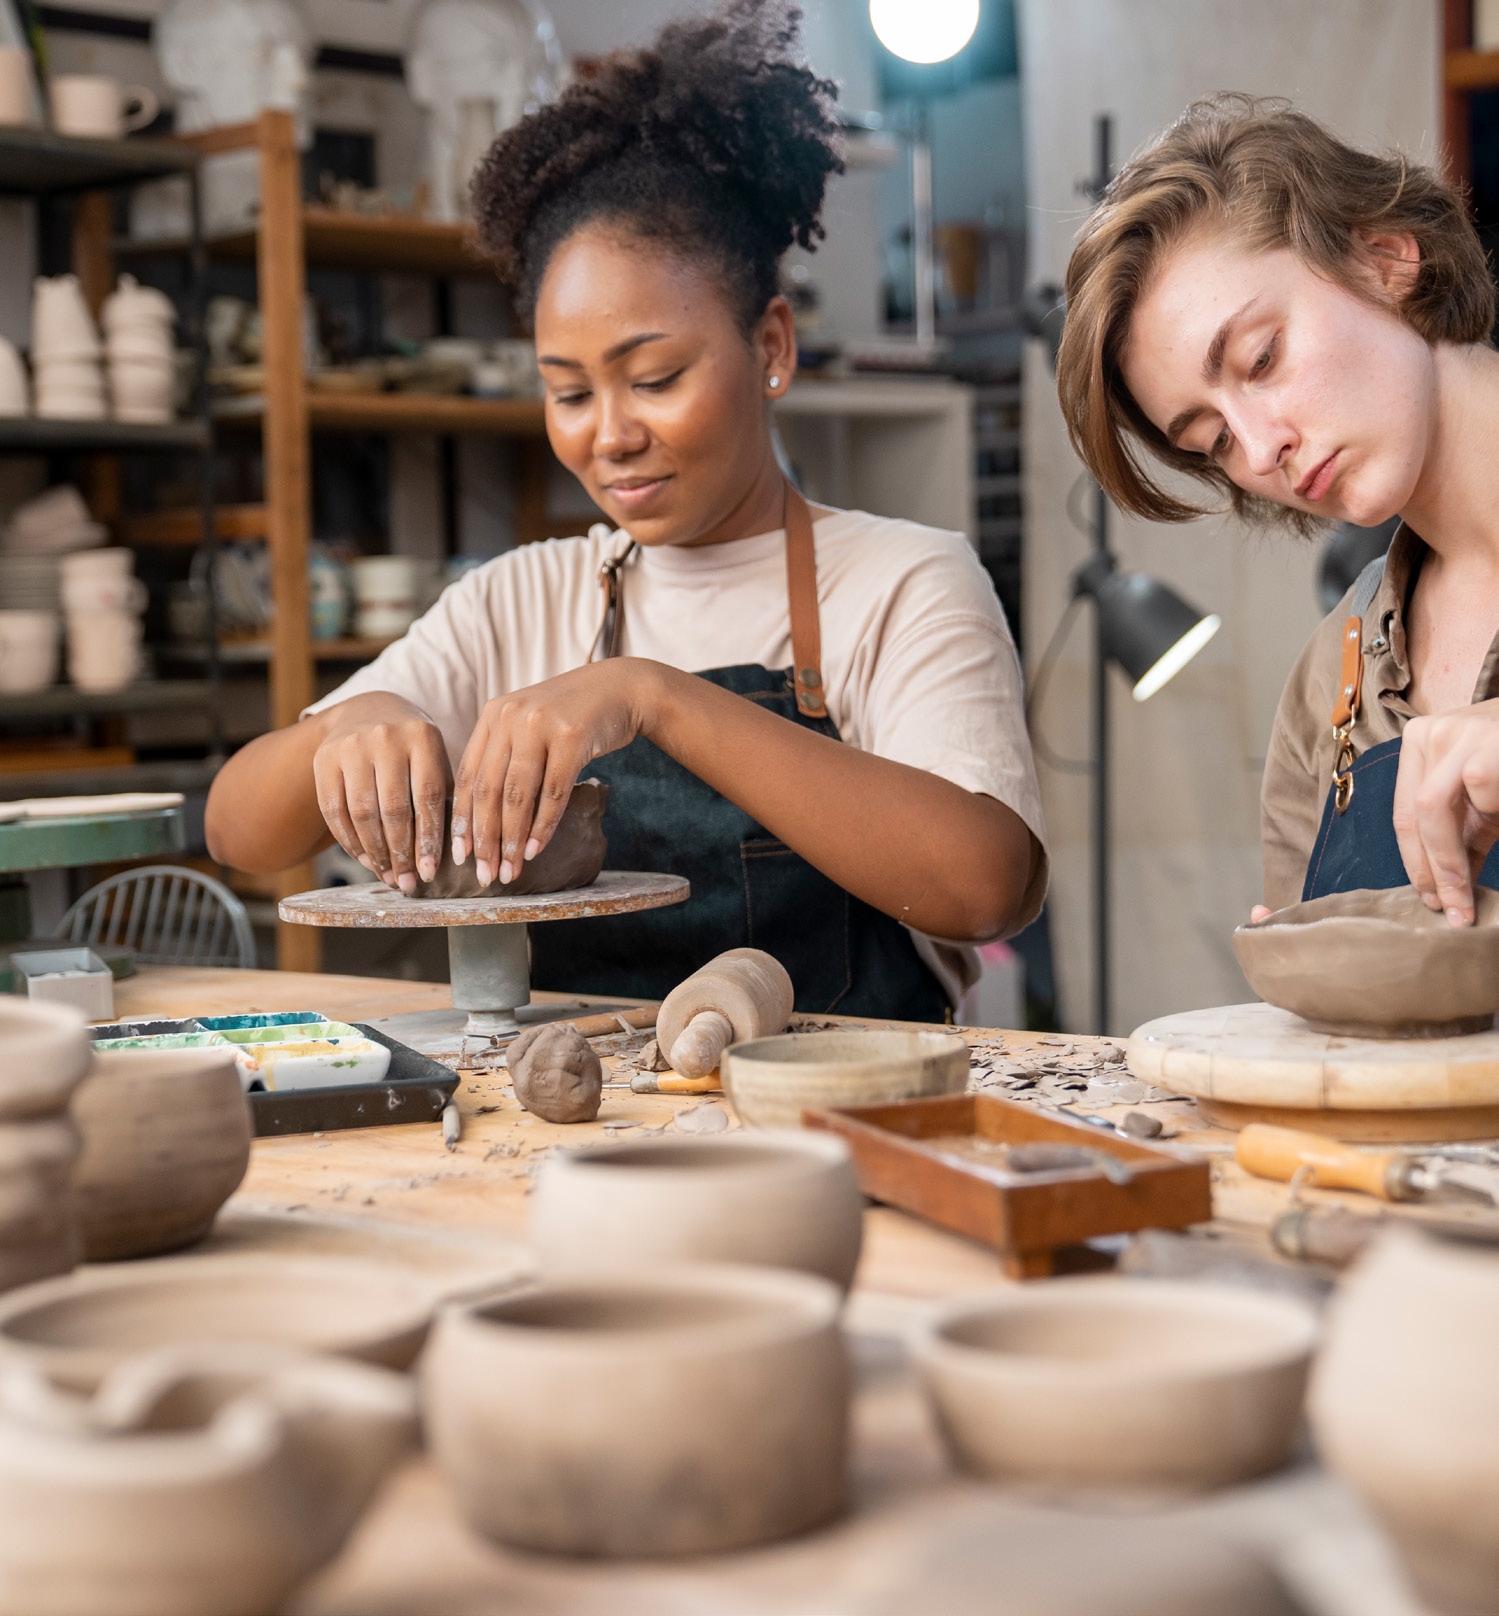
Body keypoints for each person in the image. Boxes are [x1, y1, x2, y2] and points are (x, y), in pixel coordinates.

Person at [204, 0, 1047, 1019]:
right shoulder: (524, 596)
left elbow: (985, 886)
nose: (607, 433)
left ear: (770, 347)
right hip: (577, 1133)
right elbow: (238, 832)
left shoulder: (898, 580)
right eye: (568, 391)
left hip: (836, 1129)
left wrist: (652, 696)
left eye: (652, 378)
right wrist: (354, 727)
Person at [1054, 93, 1499, 929]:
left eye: (1261, 358)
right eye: (1211, 437)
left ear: (1383, 257)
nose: (1258, 451)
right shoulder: (1331, 685)